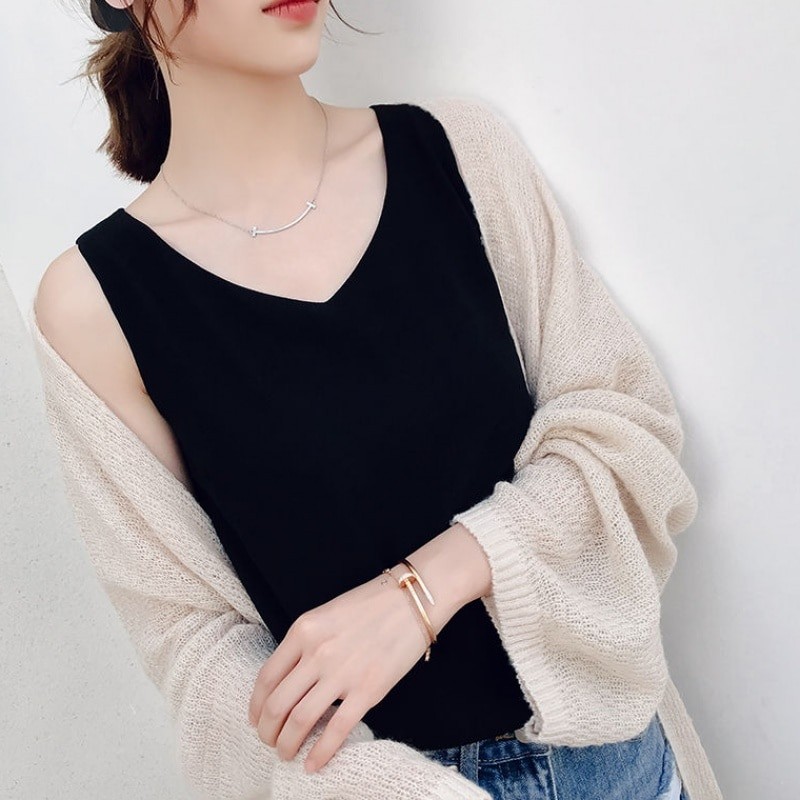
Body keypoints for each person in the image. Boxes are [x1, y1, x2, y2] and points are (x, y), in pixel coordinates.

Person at [29, 1, 721, 798]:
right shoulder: (94, 307)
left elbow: (624, 427)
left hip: (620, 764)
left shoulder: (461, 152)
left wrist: (425, 588)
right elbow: (196, 646)